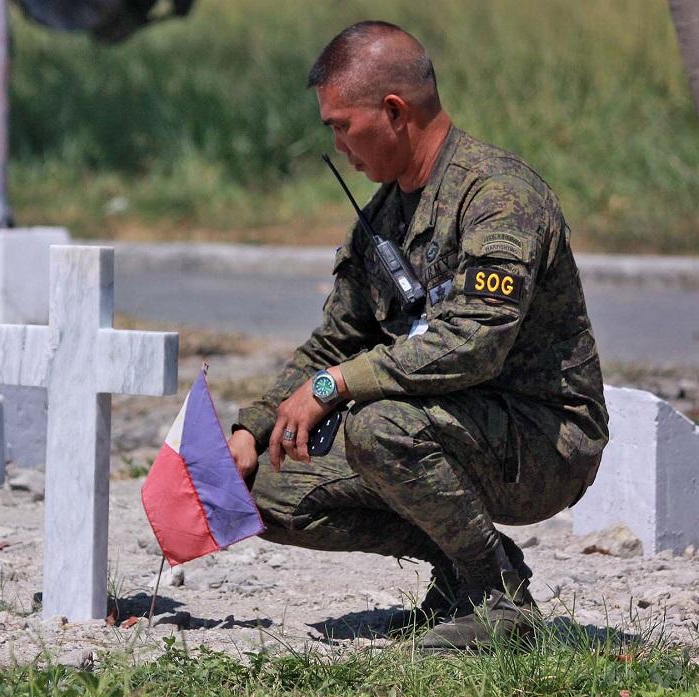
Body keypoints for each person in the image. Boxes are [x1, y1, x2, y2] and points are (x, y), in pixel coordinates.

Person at [226, 20, 609, 649]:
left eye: (341, 126)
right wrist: (254, 427)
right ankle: (466, 567)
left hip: (543, 437)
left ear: (395, 111)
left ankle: (498, 599)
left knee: (381, 428)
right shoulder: (381, 217)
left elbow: (474, 343)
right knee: (260, 491)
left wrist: (337, 385)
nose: (338, 145)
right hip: (445, 424)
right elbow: (334, 341)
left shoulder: (497, 196)